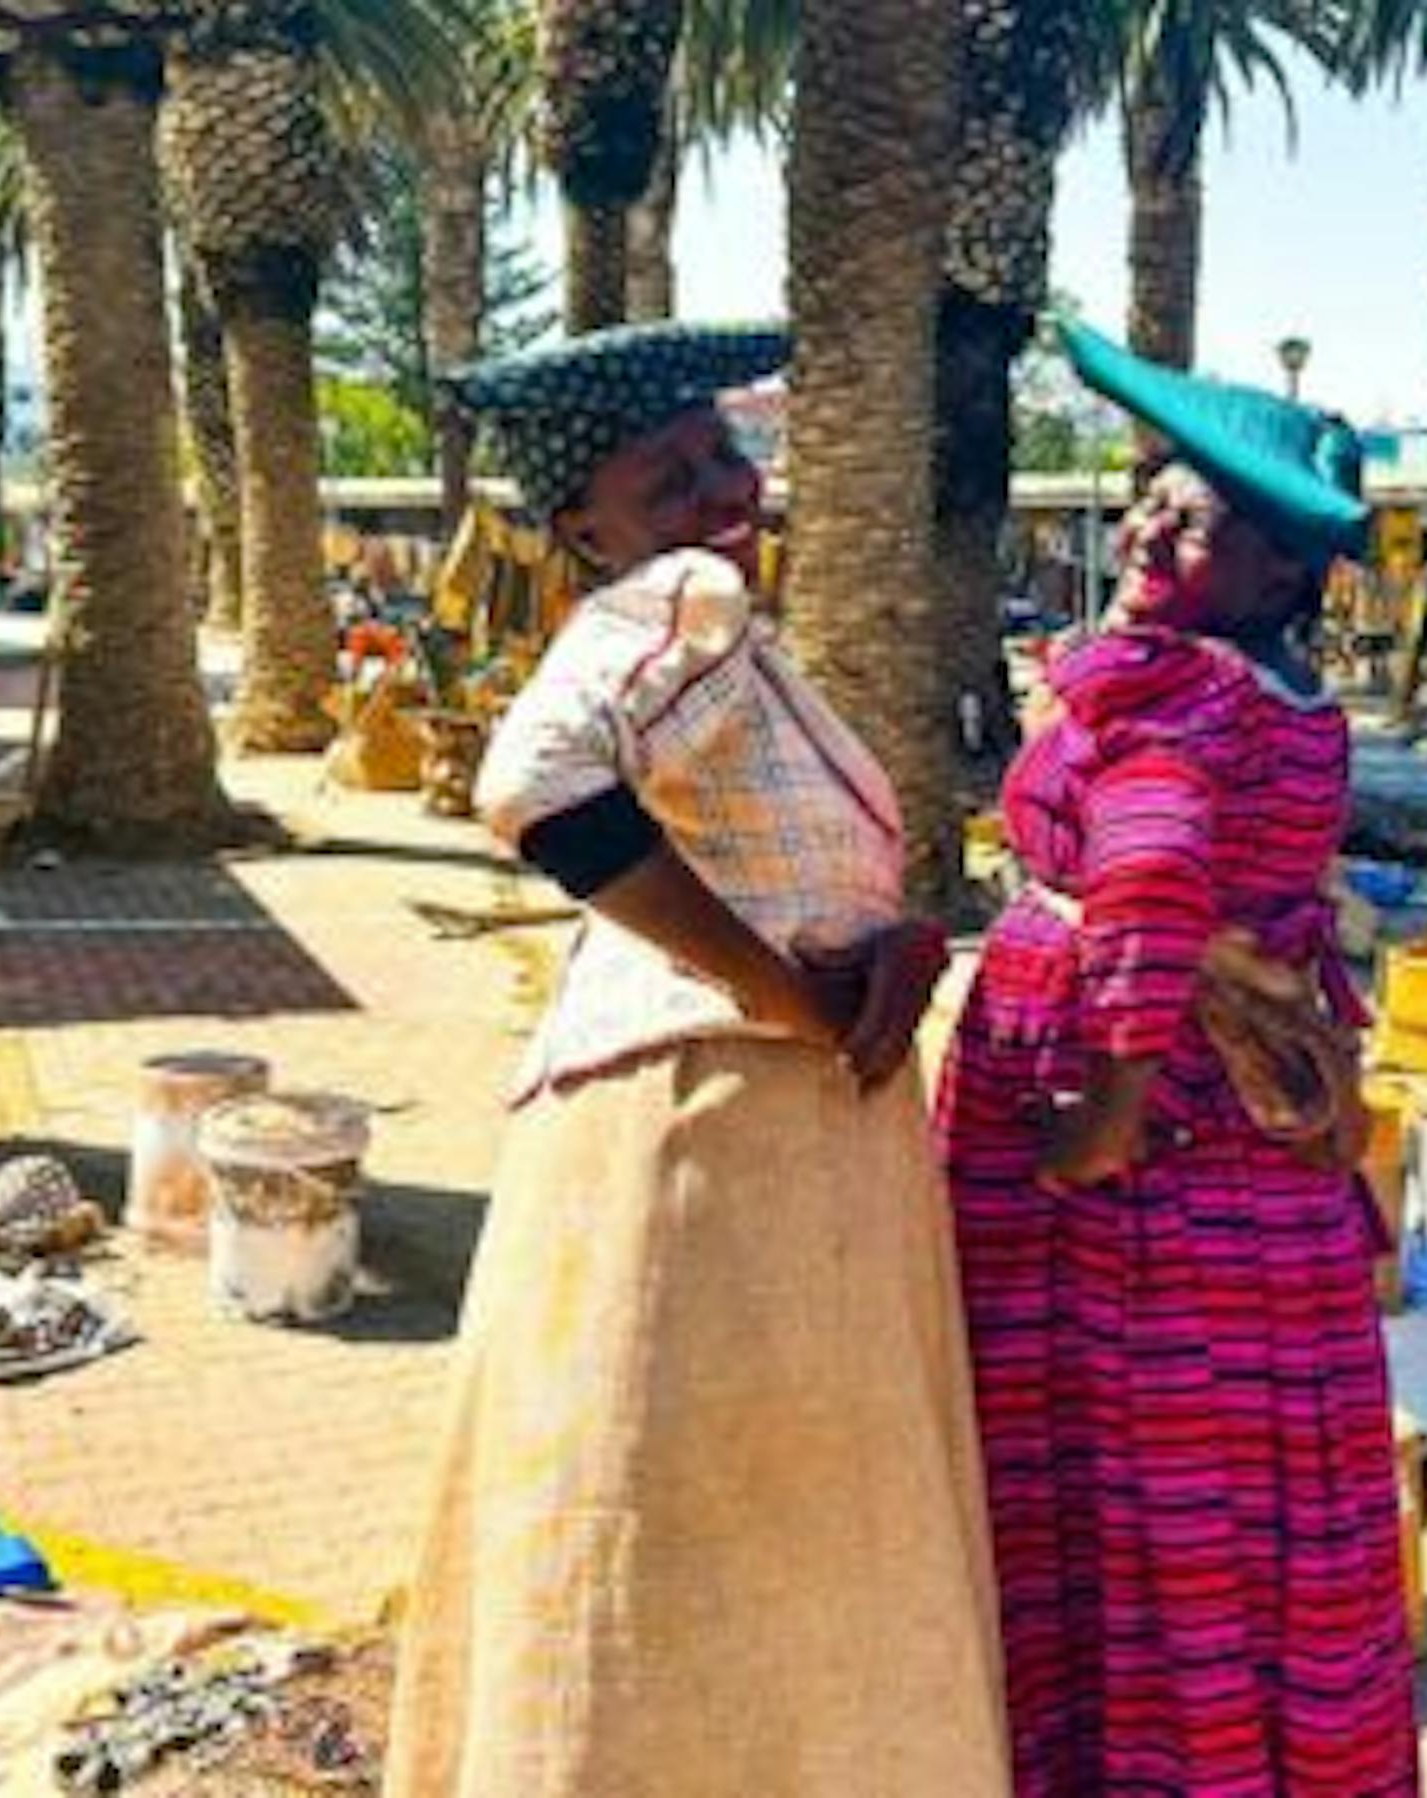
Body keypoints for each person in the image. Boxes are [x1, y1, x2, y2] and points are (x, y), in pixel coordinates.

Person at [386, 322, 1009, 1798]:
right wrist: (784, 993)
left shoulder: (720, 627)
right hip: (714, 1135)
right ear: (583, 529)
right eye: (663, 478)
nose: (718, 493)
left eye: (721, 454)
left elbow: (783, 864)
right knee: (722, 1517)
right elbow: (533, 788)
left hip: (729, 1133)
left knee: (669, 1514)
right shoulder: (681, 599)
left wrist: (894, 943)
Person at [938, 318, 1420, 1796]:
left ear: (1283, 570)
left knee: (1126, 1454)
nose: (1149, 520)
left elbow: (1144, 885)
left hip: (1141, 1155)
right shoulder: (1287, 698)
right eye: (1153, 490)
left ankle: (1129, 1756)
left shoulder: (1175, 692)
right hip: (1247, 1149)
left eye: (1193, 514)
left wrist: (1107, 1114)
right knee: (1242, 1463)